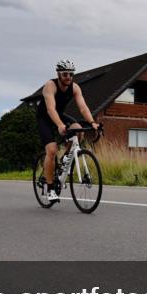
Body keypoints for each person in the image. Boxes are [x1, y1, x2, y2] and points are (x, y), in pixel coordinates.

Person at [35, 59, 99, 202]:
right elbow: (51, 109)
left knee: (78, 129)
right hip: (45, 118)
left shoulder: (75, 87)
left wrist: (93, 122)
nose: (68, 77)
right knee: (51, 150)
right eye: (65, 74)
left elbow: (83, 107)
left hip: (60, 115)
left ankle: (65, 159)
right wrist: (59, 125)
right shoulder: (50, 86)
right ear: (58, 74)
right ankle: (50, 188)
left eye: (71, 74)